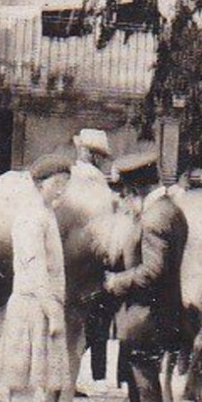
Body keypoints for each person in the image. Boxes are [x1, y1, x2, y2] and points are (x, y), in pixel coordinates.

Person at [103, 152, 188, 402]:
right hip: (153, 313)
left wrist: (117, 282)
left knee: (143, 380)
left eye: (126, 193)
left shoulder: (154, 218)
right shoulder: (170, 211)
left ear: (135, 190)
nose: (125, 201)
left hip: (147, 313)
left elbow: (153, 271)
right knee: (138, 378)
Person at [0, 154, 73, 402]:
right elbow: (34, 268)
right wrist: (51, 310)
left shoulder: (43, 214)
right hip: (32, 304)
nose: (61, 192)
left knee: (29, 381)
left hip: (36, 305)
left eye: (64, 186)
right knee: (23, 381)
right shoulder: (32, 217)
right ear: (42, 183)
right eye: (57, 185)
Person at [72, 128, 115, 386]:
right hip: (91, 267)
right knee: (89, 329)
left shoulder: (70, 178)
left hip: (70, 264)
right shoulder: (99, 185)